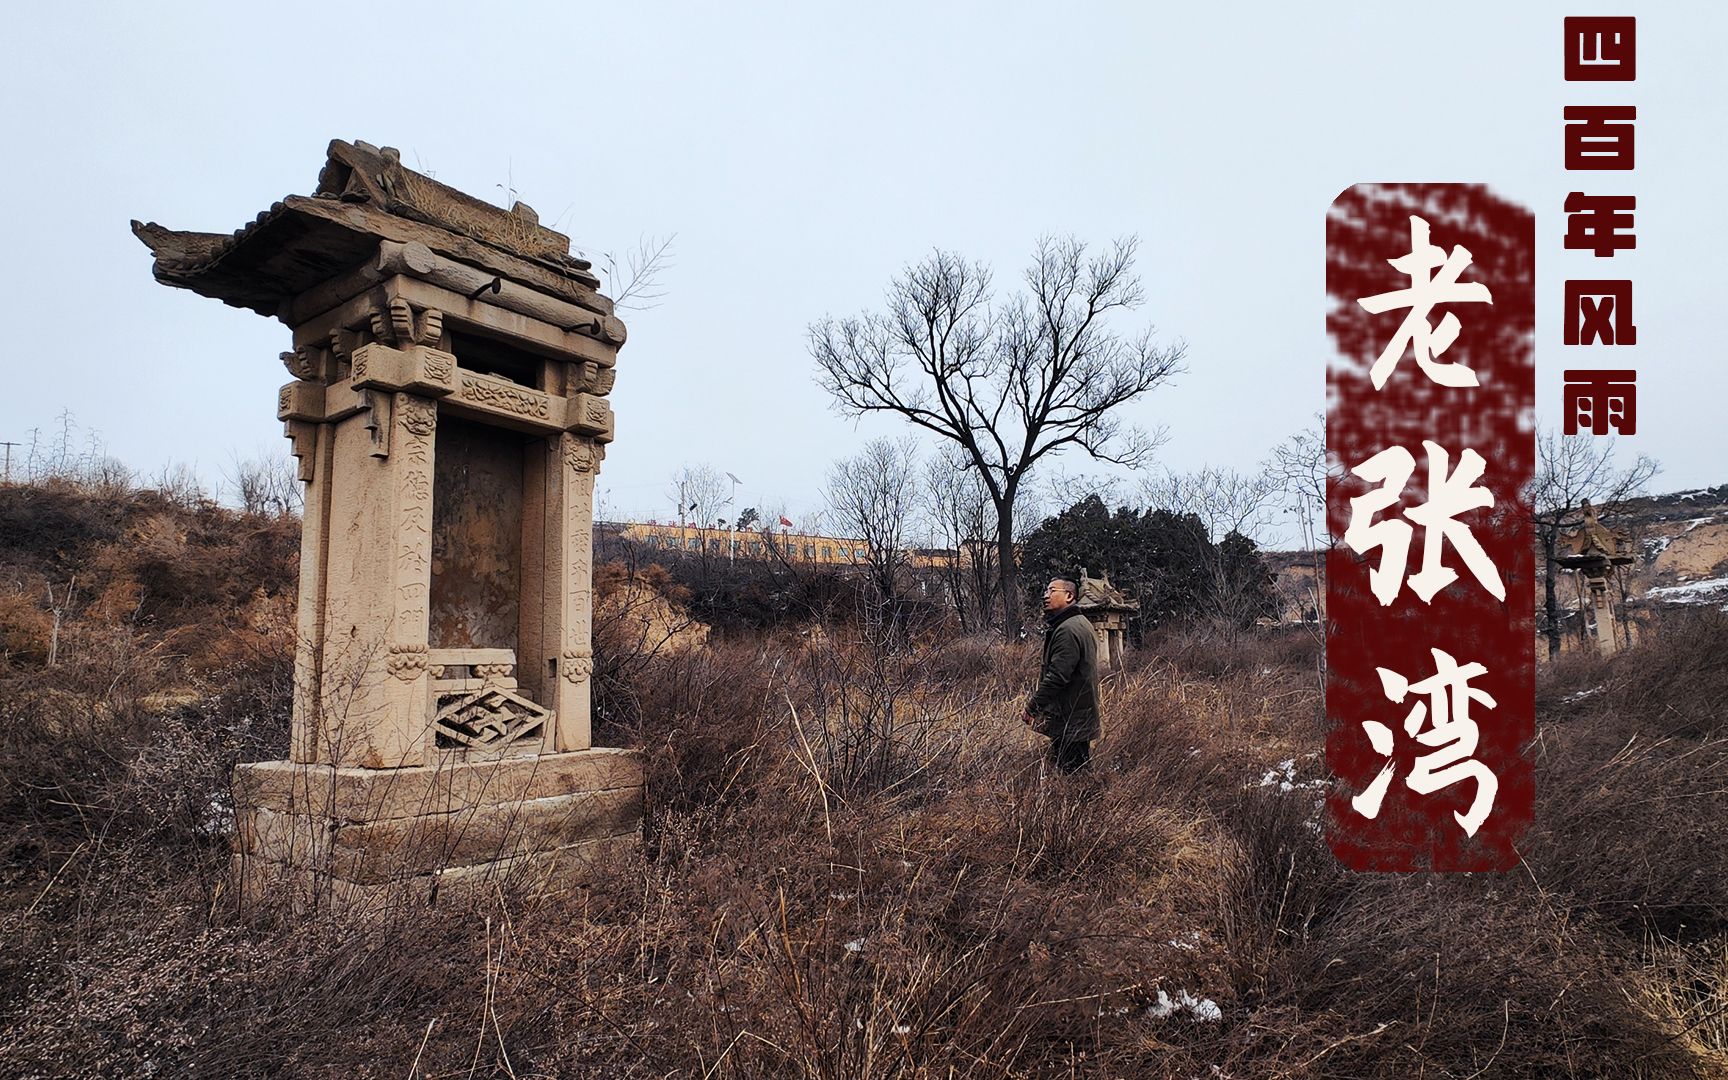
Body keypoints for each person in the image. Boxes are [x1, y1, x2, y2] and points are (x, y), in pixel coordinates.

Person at [1023, 577, 1100, 773]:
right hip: (1077, 712)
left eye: (1051, 591)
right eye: (1046, 591)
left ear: (1069, 596)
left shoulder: (1068, 629)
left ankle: (1089, 802)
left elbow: (1057, 677)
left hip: (1069, 715)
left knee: (1072, 774)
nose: (1045, 596)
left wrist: (1033, 707)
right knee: (1077, 770)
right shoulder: (1079, 622)